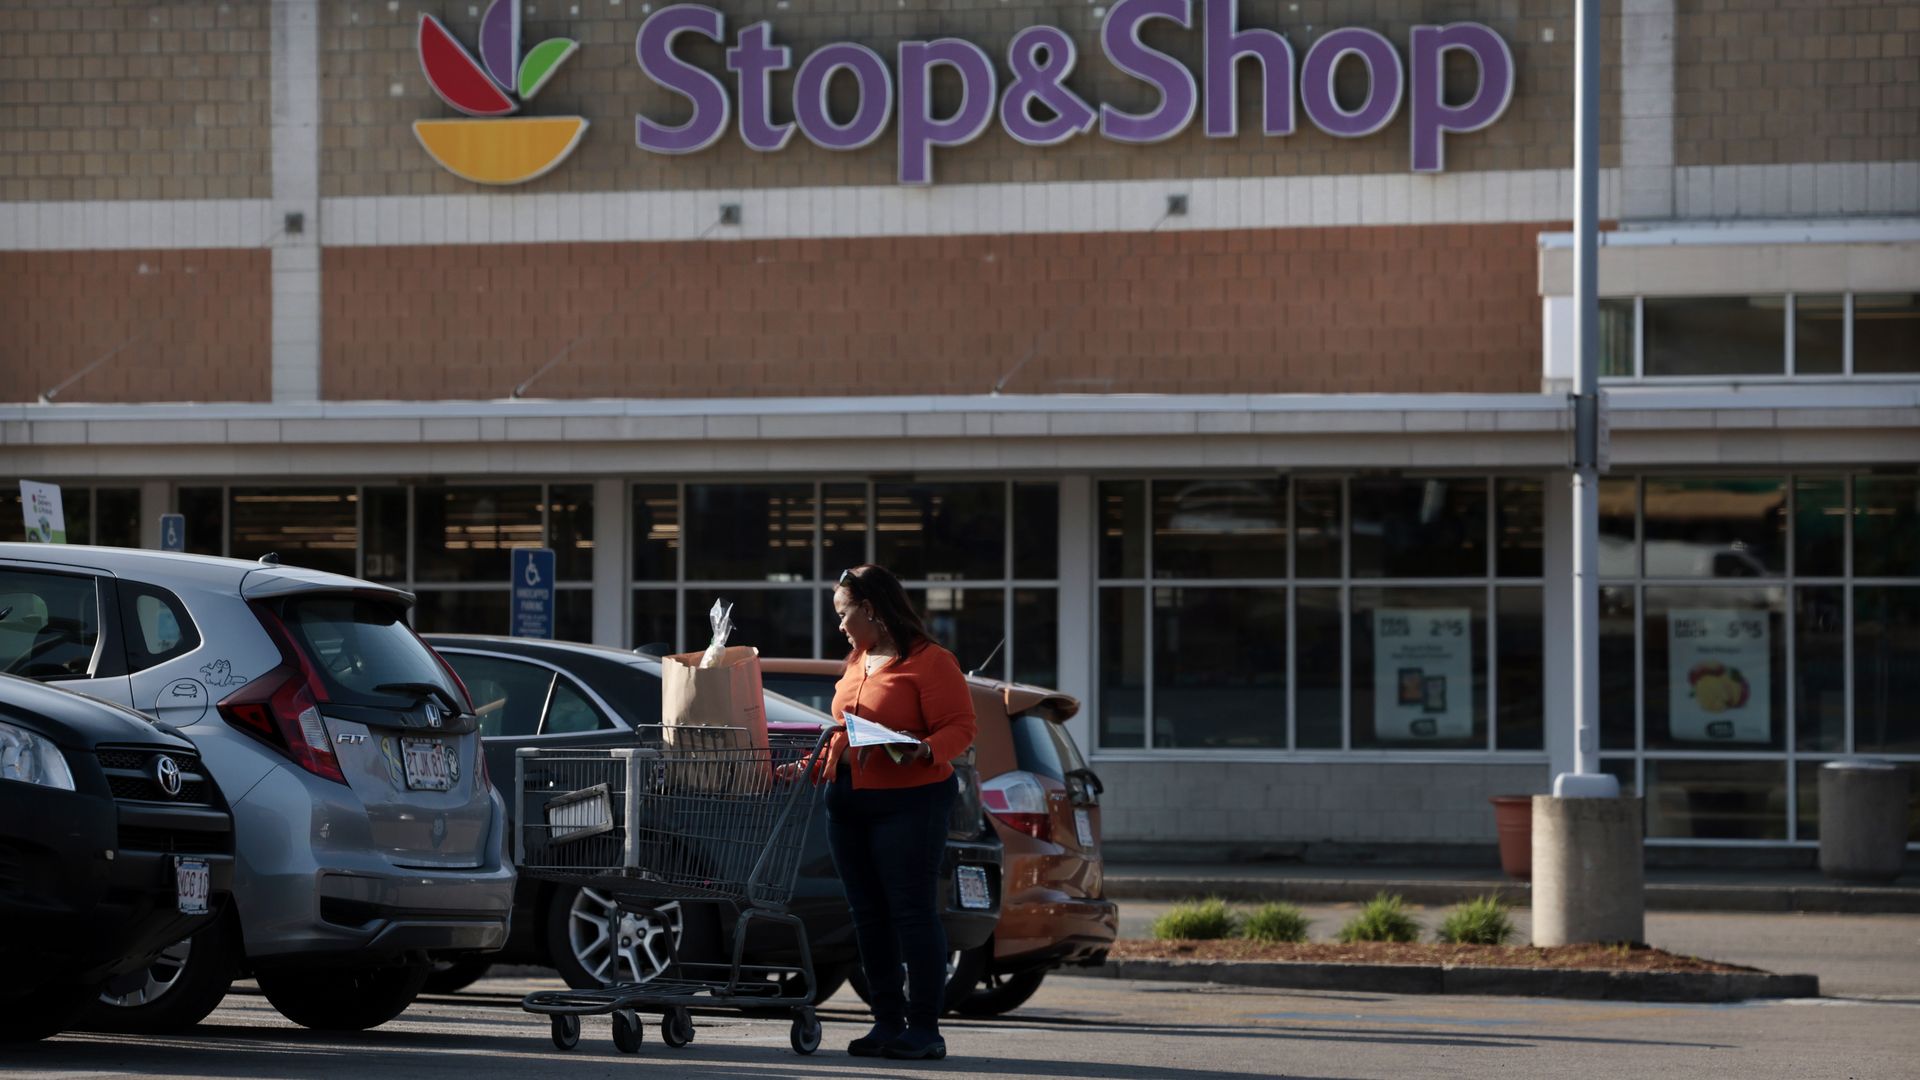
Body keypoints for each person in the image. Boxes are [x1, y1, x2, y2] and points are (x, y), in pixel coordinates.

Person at [816, 563, 977, 1061]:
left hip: (911, 801)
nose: (840, 625)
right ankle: (887, 1023)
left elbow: (961, 727)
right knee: (868, 916)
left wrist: (926, 750)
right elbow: (842, 728)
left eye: (845, 614)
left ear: (871, 609)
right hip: (848, 801)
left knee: (910, 912)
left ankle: (925, 1029)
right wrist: (808, 764)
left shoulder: (932, 661)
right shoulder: (855, 660)